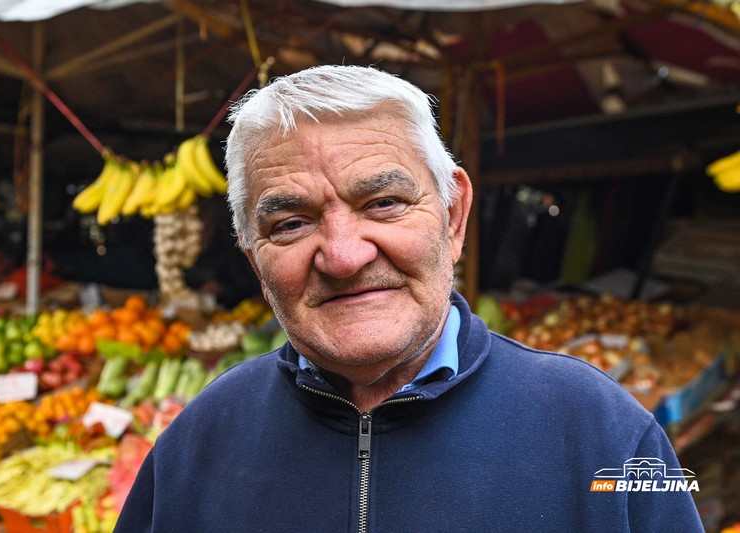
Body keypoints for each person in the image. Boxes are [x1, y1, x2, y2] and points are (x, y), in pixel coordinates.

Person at [115, 65, 703, 532]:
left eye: (384, 204)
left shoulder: (605, 433)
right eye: (291, 223)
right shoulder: (198, 443)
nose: (344, 256)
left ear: (453, 217)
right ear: (253, 257)